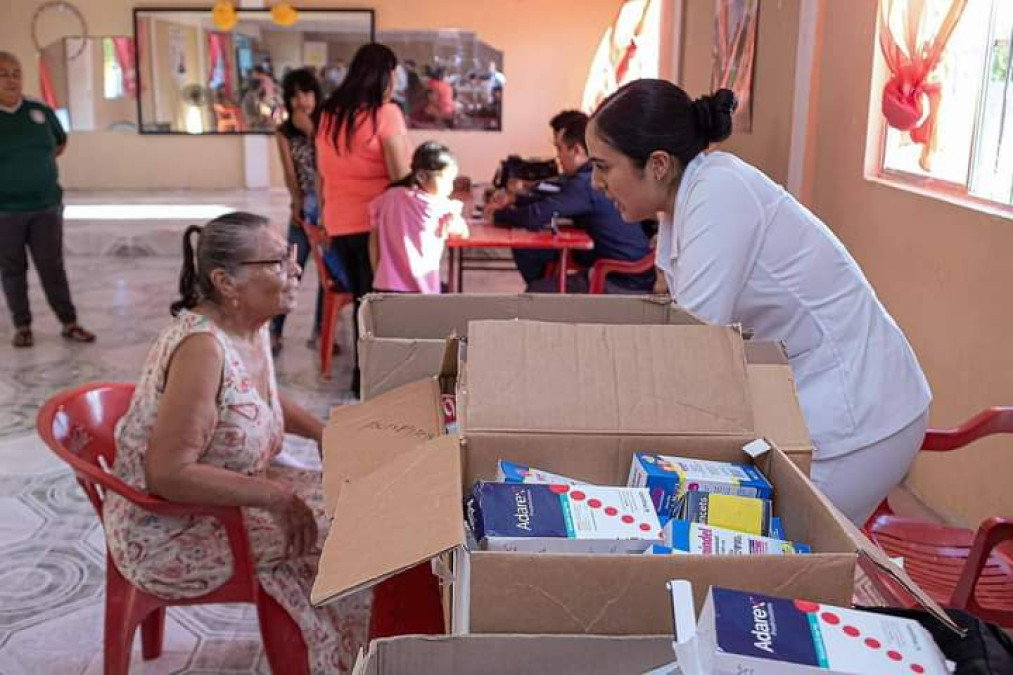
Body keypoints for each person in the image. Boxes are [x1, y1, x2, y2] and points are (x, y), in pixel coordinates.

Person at [585, 79, 932, 524]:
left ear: (657, 164)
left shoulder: (719, 194)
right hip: (811, 395)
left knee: (774, 551)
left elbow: (691, 351)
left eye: (603, 167)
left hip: (861, 413)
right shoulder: (686, 202)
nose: (596, 183)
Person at [104, 212, 369, 673]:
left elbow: (255, 396)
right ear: (226, 281)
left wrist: (323, 433)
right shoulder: (202, 348)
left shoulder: (249, 324)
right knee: (354, 545)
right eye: (279, 262)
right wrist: (276, 498)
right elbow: (166, 474)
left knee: (364, 508)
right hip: (172, 528)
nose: (296, 270)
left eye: (290, 258)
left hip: (227, 492)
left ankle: (355, 650)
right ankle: (336, 659)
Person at [315, 43, 411, 395]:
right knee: (385, 302)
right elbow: (399, 173)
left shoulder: (328, 116)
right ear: (386, 74)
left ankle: (363, 372)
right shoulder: (385, 114)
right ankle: (379, 375)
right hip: (378, 227)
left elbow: (320, 175)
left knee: (362, 298)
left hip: (340, 224)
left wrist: (326, 216)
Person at [491, 110, 655, 293]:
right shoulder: (591, 175)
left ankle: (553, 301)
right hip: (624, 267)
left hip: (621, 278)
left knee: (536, 293)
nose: (558, 157)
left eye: (559, 149)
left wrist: (496, 215)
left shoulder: (587, 183)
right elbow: (553, 200)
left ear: (576, 150)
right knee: (532, 251)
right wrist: (516, 199)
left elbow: (535, 216)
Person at [0, 50, 94, 348]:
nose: (11, 79)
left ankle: (69, 322)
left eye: (16, 73)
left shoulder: (38, 111)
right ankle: (22, 326)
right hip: (6, 211)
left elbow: (59, 143)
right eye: (3, 73)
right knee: (13, 270)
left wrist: (33, 168)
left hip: (46, 207)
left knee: (52, 266)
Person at [271, 68, 328, 355]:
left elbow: (328, 165)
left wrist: (312, 131)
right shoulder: (283, 133)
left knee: (326, 274)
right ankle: (275, 331)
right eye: (294, 96)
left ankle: (321, 331)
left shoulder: (327, 127)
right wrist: (296, 204)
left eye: (306, 93)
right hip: (304, 207)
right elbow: (289, 174)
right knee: (291, 270)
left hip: (329, 209)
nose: (301, 101)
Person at [370, 141, 468, 294]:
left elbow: (374, 241)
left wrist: (377, 272)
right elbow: (462, 232)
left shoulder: (388, 197)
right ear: (421, 176)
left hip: (386, 285)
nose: (451, 187)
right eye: (447, 179)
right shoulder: (440, 206)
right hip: (421, 289)